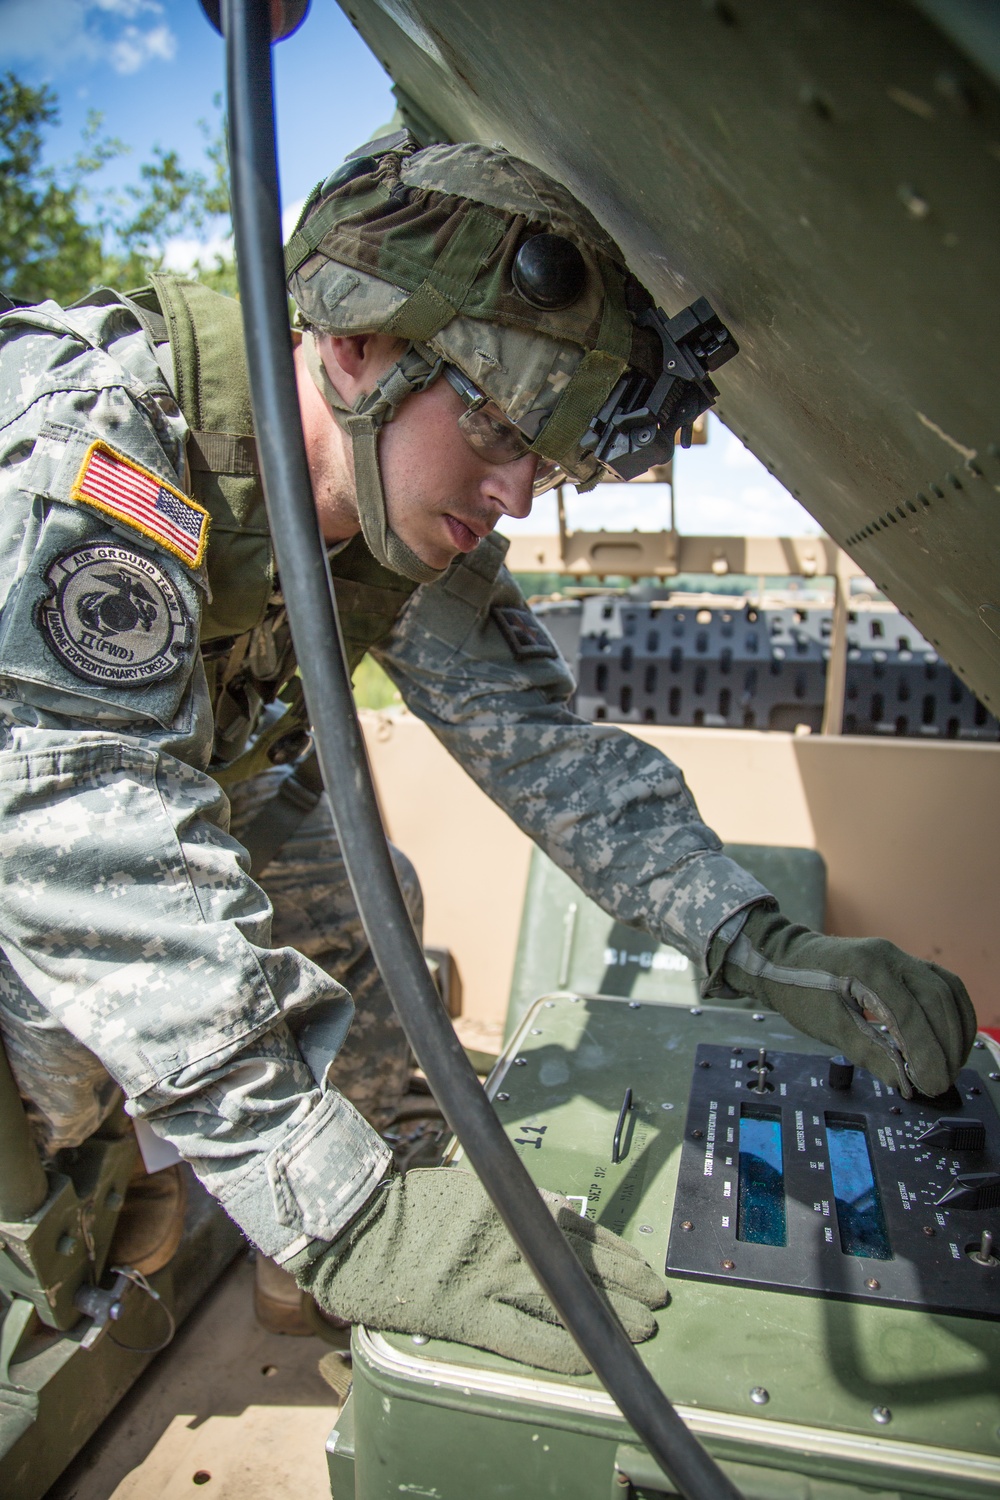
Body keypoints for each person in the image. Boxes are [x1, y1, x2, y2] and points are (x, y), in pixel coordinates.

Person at [0, 136, 975, 1372]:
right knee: (65, 1063)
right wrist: (354, 1220)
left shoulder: (396, 503)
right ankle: (181, 1206)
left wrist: (751, 937)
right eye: (503, 428)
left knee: (367, 895)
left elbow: (538, 747)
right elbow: (80, 836)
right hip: (37, 825)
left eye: (545, 459)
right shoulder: (95, 443)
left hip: (188, 789)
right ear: (355, 347)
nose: (516, 493)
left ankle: (332, 1253)